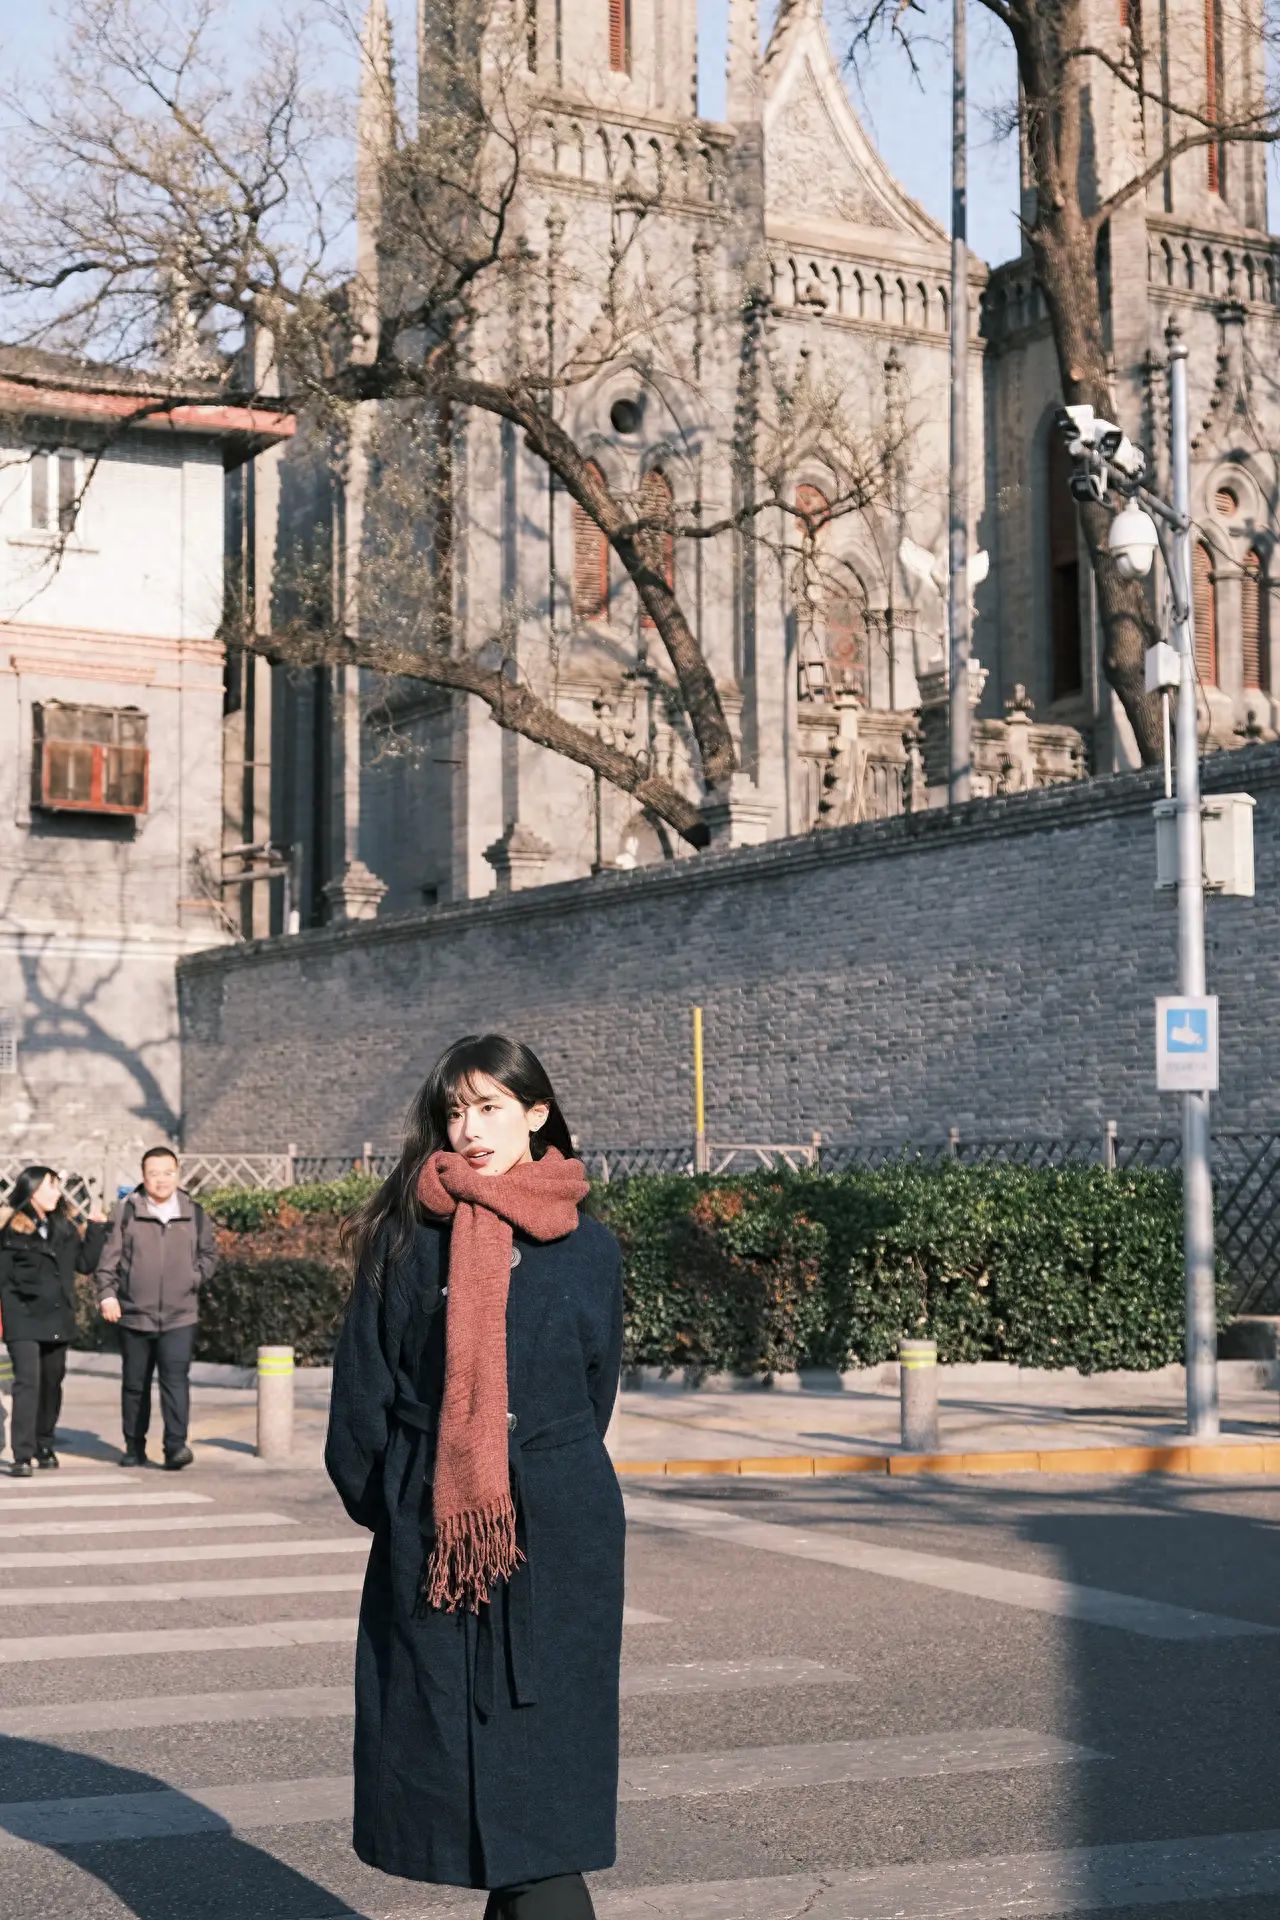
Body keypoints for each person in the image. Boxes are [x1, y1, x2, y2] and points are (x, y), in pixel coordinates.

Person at [326, 1035, 625, 1920]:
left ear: (537, 1113)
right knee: (497, 1802)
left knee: (541, 1801)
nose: (470, 1127)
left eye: (490, 1106)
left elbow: (592, 1390)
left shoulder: (590, 1246)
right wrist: (423, 1503)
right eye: (456, 1110)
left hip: (561, 1542)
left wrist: (538, 1480)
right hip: (439, 1542)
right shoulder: (406, 1240)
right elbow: (360, 1408)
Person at [95, 1146, 219, 1470]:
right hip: (135, 1315)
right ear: (143, 1176)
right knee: (135, 1385)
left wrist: (193, 1277)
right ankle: (134, 1446)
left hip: (180, 1315)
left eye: (167, 1172)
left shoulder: (195, 1212)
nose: (161, 1180)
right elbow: (107, 1262)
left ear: (177, 1174)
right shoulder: (126, 1212)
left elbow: (209, 1255)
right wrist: (107, 1294)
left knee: (175, 1381)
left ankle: (175, 1447)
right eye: (154, 1173)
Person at [0, 1167, 108, 1477]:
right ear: (32, 1190)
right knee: (27, 1383)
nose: (57, 1193)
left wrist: (97, 1230)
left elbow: (85, 1265)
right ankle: (21, 1454)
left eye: (58, 1186)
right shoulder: (10, 1229)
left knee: (52, 1383)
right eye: (51, 1186)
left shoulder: (65, 1227)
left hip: (57, 1316)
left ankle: (43, 1444)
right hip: (22, 1317)